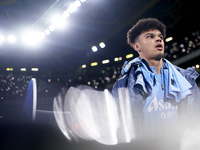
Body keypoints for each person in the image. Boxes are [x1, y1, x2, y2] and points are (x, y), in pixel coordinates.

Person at [112, 18, 200, 138]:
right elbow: (122, 129)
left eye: (160, 37)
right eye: (150, 36)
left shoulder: (186, 79)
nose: (158, 39)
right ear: (137, 46)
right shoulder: (124, 85)